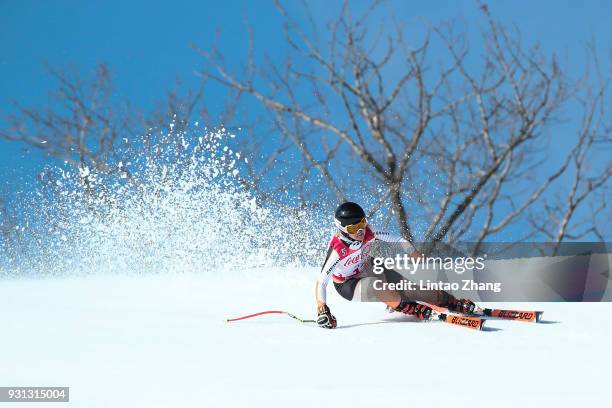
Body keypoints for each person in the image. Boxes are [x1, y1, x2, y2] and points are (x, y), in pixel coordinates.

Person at [315, 202, 475, 329]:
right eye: (354, 228)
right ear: (343, 229)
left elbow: (397, 239)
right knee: (375, 286)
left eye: (362, 223)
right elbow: (322, 281)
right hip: (348, 284)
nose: (360, 231)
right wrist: (322, 308)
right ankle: (407, 307)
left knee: (412, 289)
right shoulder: (338, 250)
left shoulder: (369, 231)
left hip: (368, 267)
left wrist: (412, 252)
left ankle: (450, 301)